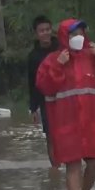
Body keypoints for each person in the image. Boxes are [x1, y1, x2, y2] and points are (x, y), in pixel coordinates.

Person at [36, 18, 95, 190]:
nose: (78, 36)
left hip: (92, 122)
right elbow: (45, 86)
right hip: (67, 122)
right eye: (73, 33)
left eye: (80, 33)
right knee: (73, 166)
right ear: (64, 36)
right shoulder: (52, 59)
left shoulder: (92, 57)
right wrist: (58, 65)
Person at [27, 15, 60, 169]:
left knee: (69, 134)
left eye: (48, 29)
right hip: (46, 100)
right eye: (42, 31)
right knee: (51, 137)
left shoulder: (62, 49)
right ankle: (55, 170)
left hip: (65, 98)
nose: (45, 33)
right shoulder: (33, 57)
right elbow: (32, 83)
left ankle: (72, 167)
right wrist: (33, 108)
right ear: (36, 34)